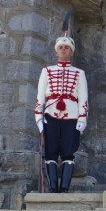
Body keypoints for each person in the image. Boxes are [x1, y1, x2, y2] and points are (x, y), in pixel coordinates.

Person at [34, 35, 88, 192]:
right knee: (50, 153)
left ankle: (64, 187)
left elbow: (83, 97)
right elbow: (40, 96)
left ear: (71, 52)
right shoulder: (47, 71)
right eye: (61, 48)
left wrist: (82, 118)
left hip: (71, 117)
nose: (63, 50)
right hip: (50, 116)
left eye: (67, 48)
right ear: (57, 51)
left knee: (68, 153)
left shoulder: (79, 73)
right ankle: (52, 187)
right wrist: (38, 118)